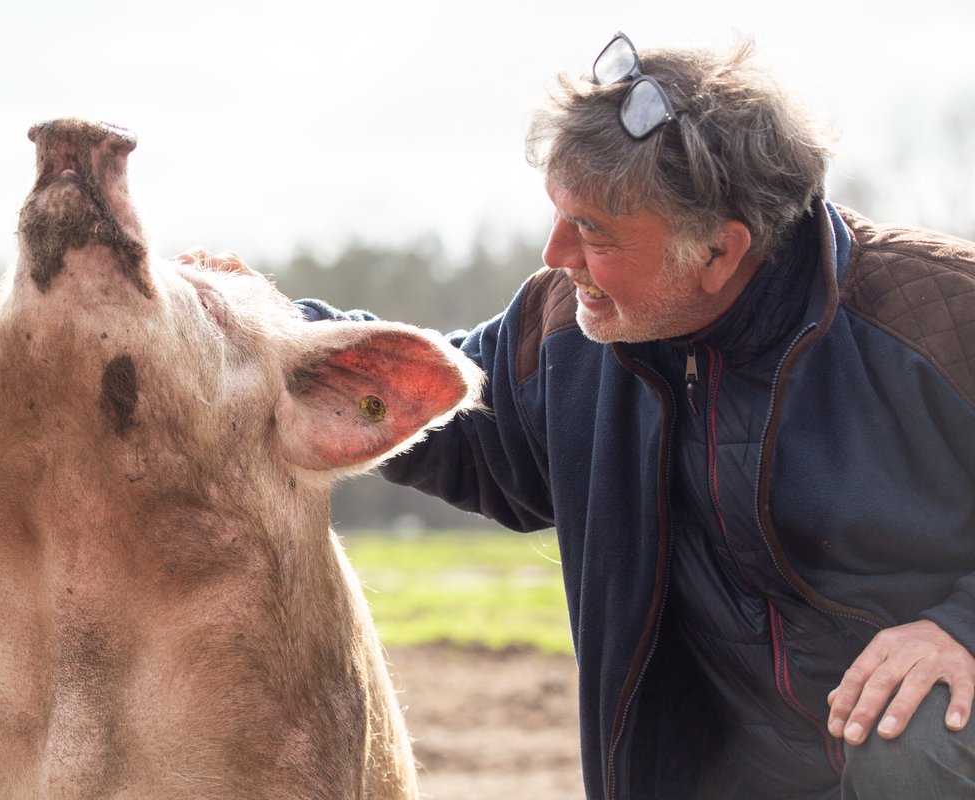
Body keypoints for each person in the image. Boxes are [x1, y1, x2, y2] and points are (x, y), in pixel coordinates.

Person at [190, 32, 975, 799]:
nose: (555, 253)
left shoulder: (940, 319)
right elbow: (452, 411)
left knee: (917, 737)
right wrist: (269, 335)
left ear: (718, 252)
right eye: (559, 215)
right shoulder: (570, 329)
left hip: (917, 757)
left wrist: (960, 628)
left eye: (593, 230)